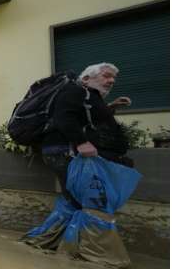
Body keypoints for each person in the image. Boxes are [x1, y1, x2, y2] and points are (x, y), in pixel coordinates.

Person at [41, 62, 133, 209]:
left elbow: (87, 118)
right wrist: (81, 142)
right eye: (106, 76)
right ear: (85, 79)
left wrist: (111, 107)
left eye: (114, 78)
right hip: (65, 151)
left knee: (85, 199)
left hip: (72, 152)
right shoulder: (76, 90)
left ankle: (78, 228)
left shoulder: (90, 96)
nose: (112, 81)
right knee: (81, 200)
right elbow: (64, 117)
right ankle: (75, 229)